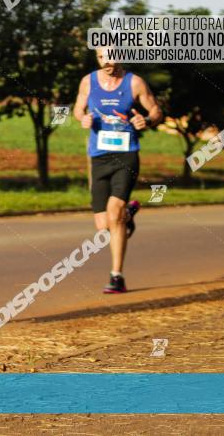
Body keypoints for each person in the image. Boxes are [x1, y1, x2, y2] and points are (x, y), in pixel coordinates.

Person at [73, 49, 163, 293]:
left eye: (111, 56)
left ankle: (116, 276)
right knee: (103, 228)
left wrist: (147, 120)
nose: (107, 62)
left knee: (114, 213)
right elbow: (77, 109)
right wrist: (82, 118)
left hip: (126, 155)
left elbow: (156, 111)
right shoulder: (88, 81)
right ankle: (129, 216)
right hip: (99, 157)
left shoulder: (134, 82)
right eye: (102, 57)